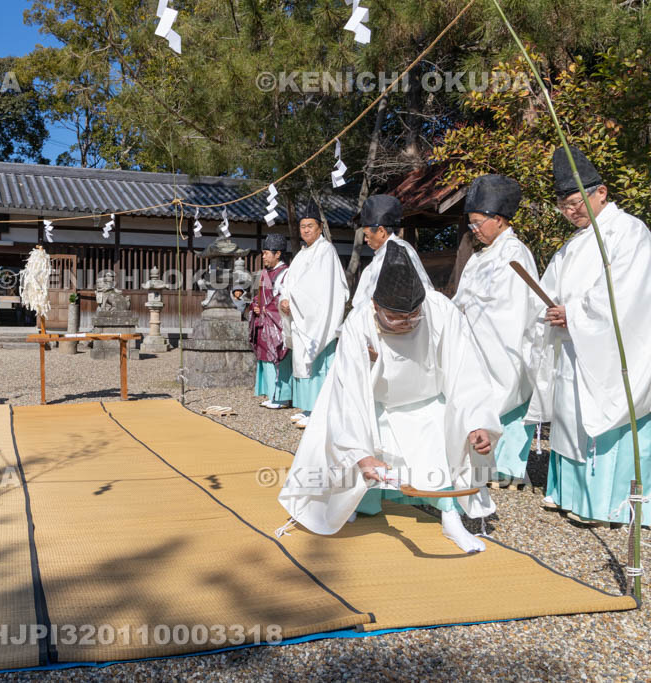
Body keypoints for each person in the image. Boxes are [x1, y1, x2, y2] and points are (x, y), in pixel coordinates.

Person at [279, 242, 501, 553]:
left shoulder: (440, 311)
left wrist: (477, 423)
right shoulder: (359, 324)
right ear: (376, 305)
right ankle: (359, 504)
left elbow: (467, 371)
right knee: (360, 453)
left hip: (428, 403)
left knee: (445, 436)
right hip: (374, 405)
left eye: (413, 315)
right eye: (396, 318)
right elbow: (349, 395)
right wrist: (360, 453)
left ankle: (451, 518)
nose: (407, 323)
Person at [528, 146, 651, 525]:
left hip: (612, 352)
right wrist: (550, 311)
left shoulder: (629, 232)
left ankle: (607, 506)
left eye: (578, 200)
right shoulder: (570, 247)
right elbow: (548, 288)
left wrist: (575, 313)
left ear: (601, 193)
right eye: (564, 204)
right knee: (569, 420)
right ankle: (568, 494)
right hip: (572, 349)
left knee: (603, 415)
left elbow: (624, 292)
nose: (572, 210)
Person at [452, 175, 542, 486]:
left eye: (478, 222)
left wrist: (474, 312)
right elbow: (463, 299)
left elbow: (514, 308)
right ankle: (484, 465)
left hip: (505, 344)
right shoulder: (480, 257)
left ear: (499, 220)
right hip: (478, 342)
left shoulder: (514, 253)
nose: (474, 229)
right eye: (471, 223)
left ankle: (508, 469)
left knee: (507, 395)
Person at [277, 202, 349, 429]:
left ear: (319, 228)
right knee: (305, 364)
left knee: (318, 364)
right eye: (302, 227)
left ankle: (320, 409)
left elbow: (319, 288)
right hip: (301, 316)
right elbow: (289, 283)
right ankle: (308, 407)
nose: (306, 230)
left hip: (318, 320)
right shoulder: (301, 254)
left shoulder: (325, 250)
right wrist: (285, 299)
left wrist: (295, 299)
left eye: (310, 226)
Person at [351, 194, 433, 308]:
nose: (365, 239)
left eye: (367, 235)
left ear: (381, 231)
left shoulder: (399, 253)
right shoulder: (384, 253)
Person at [249, 233, 292, 409]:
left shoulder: (286, 273)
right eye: (264, 252)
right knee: (265, 359)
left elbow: (284, 298)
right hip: (264, 321)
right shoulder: (265, 273)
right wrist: (256, 306)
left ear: (278, 254)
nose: (264, 256)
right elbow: (260, 296)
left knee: (280, 357)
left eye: (267, 253)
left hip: (277, 322)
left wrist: (267, 309)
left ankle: (283, 397)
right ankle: (272, 394)